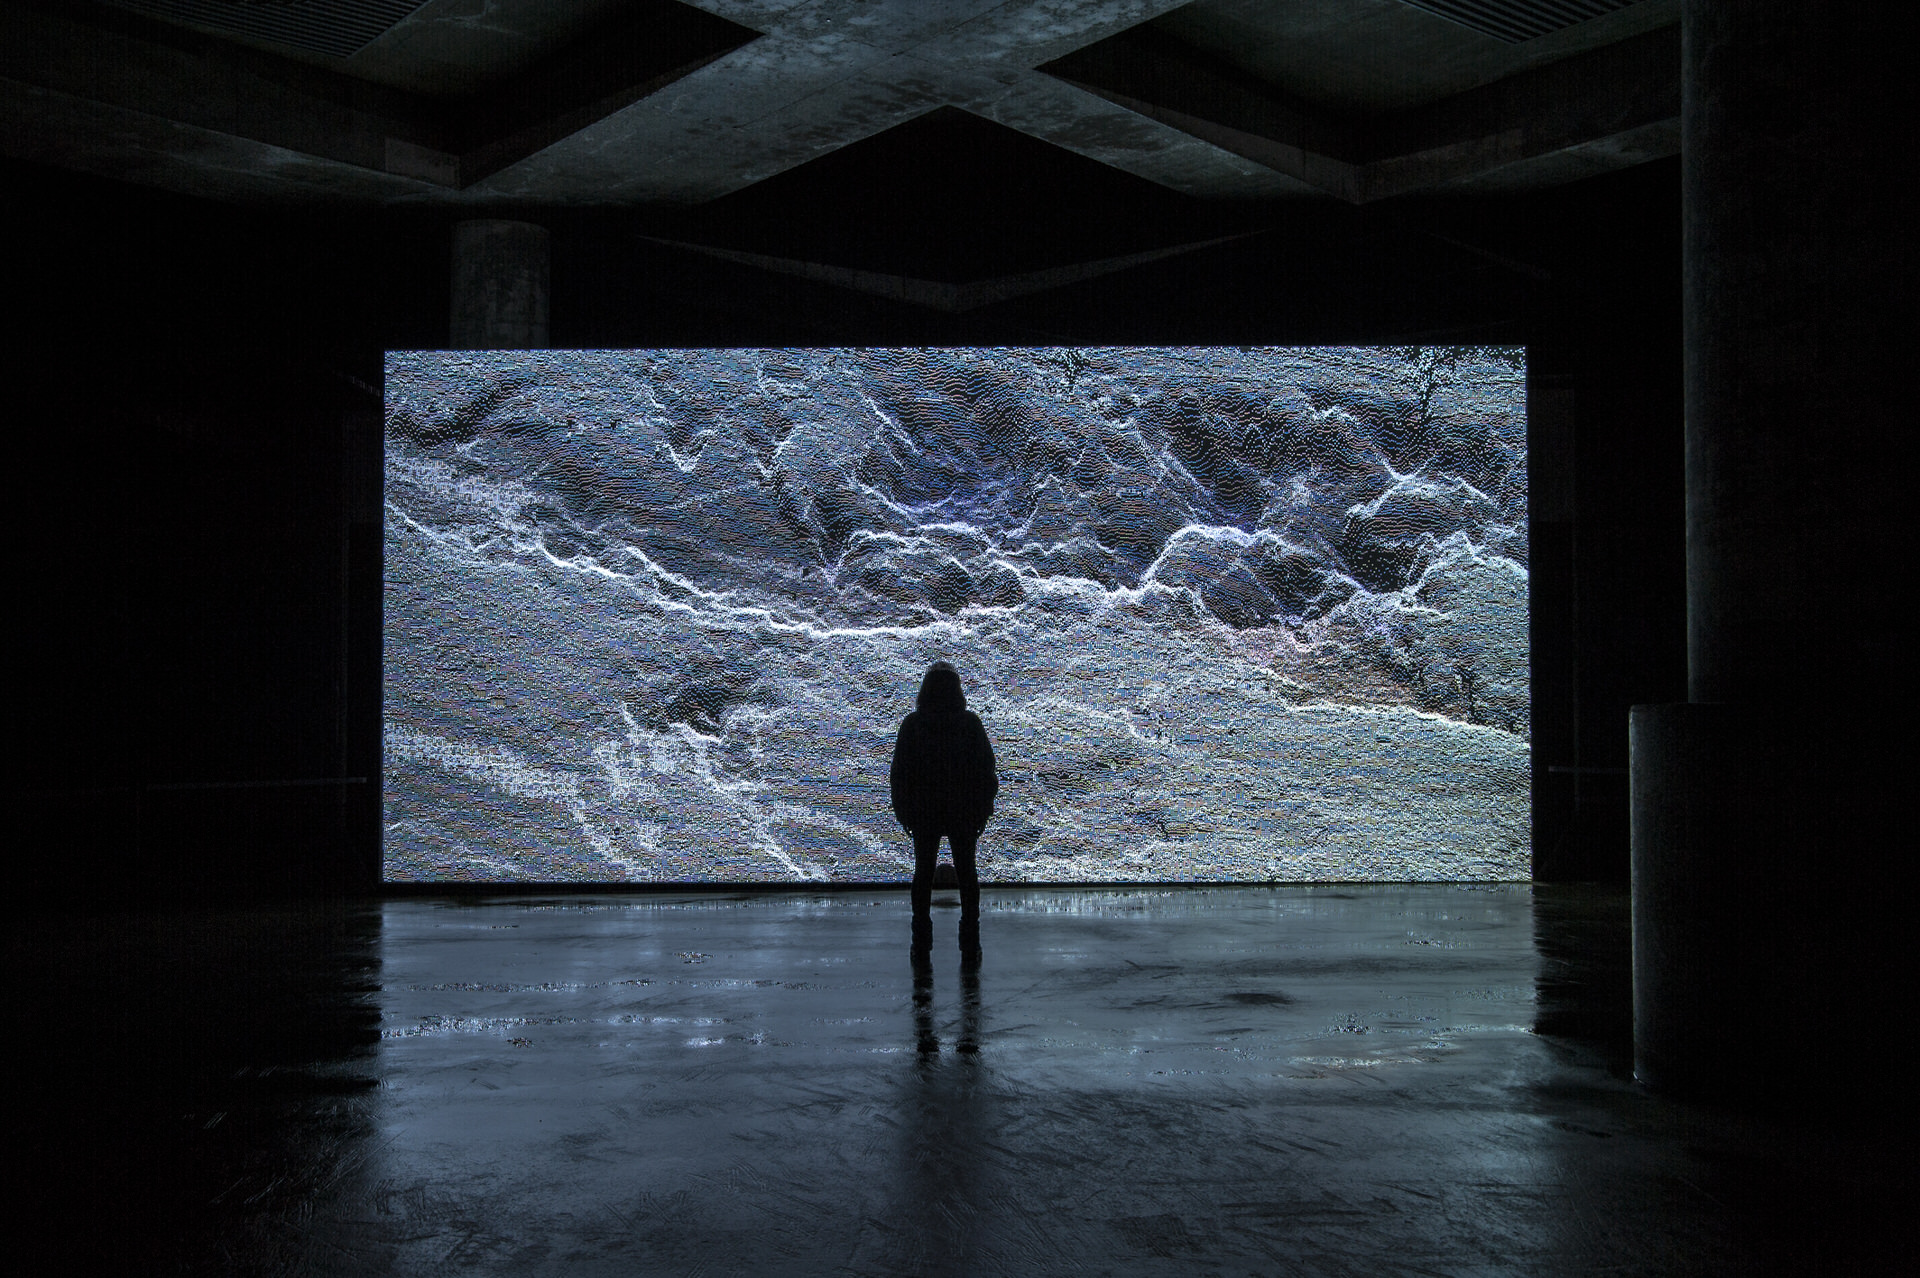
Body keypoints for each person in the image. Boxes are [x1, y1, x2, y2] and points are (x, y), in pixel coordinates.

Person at [889, 661, 998, 966]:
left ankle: (920, 939)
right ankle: (970, 938)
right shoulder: (970, 724)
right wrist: (982, 812)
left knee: (923, 874)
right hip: (963, 813)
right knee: (967, 874)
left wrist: (904, 813)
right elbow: (986, 771)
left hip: (924, 813)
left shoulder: (913, 724)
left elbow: (900, 774)